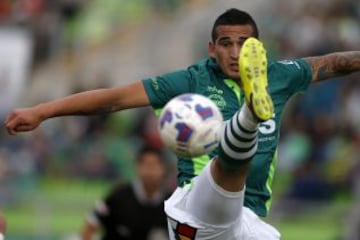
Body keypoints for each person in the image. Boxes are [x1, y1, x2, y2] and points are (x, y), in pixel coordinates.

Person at [4, 8, 360, 240]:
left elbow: (334, 63)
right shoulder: (190, 81)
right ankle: (251, 114)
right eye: (226, 44)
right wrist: (43, 111)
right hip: (196, 209)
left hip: (248, 221)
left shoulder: (280, 76)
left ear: (258, 49)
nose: (235, 53)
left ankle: (249, 115)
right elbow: (114, 98)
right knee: (230, 165)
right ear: (211, 49)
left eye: (244, 45)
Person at [81, 145, 171, 240]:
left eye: (154, 166)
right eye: (146, 165)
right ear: (137, 167)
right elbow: (89, 227)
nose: (150, 171)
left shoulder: (170, 203)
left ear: (163, 169)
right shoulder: (118, 196)